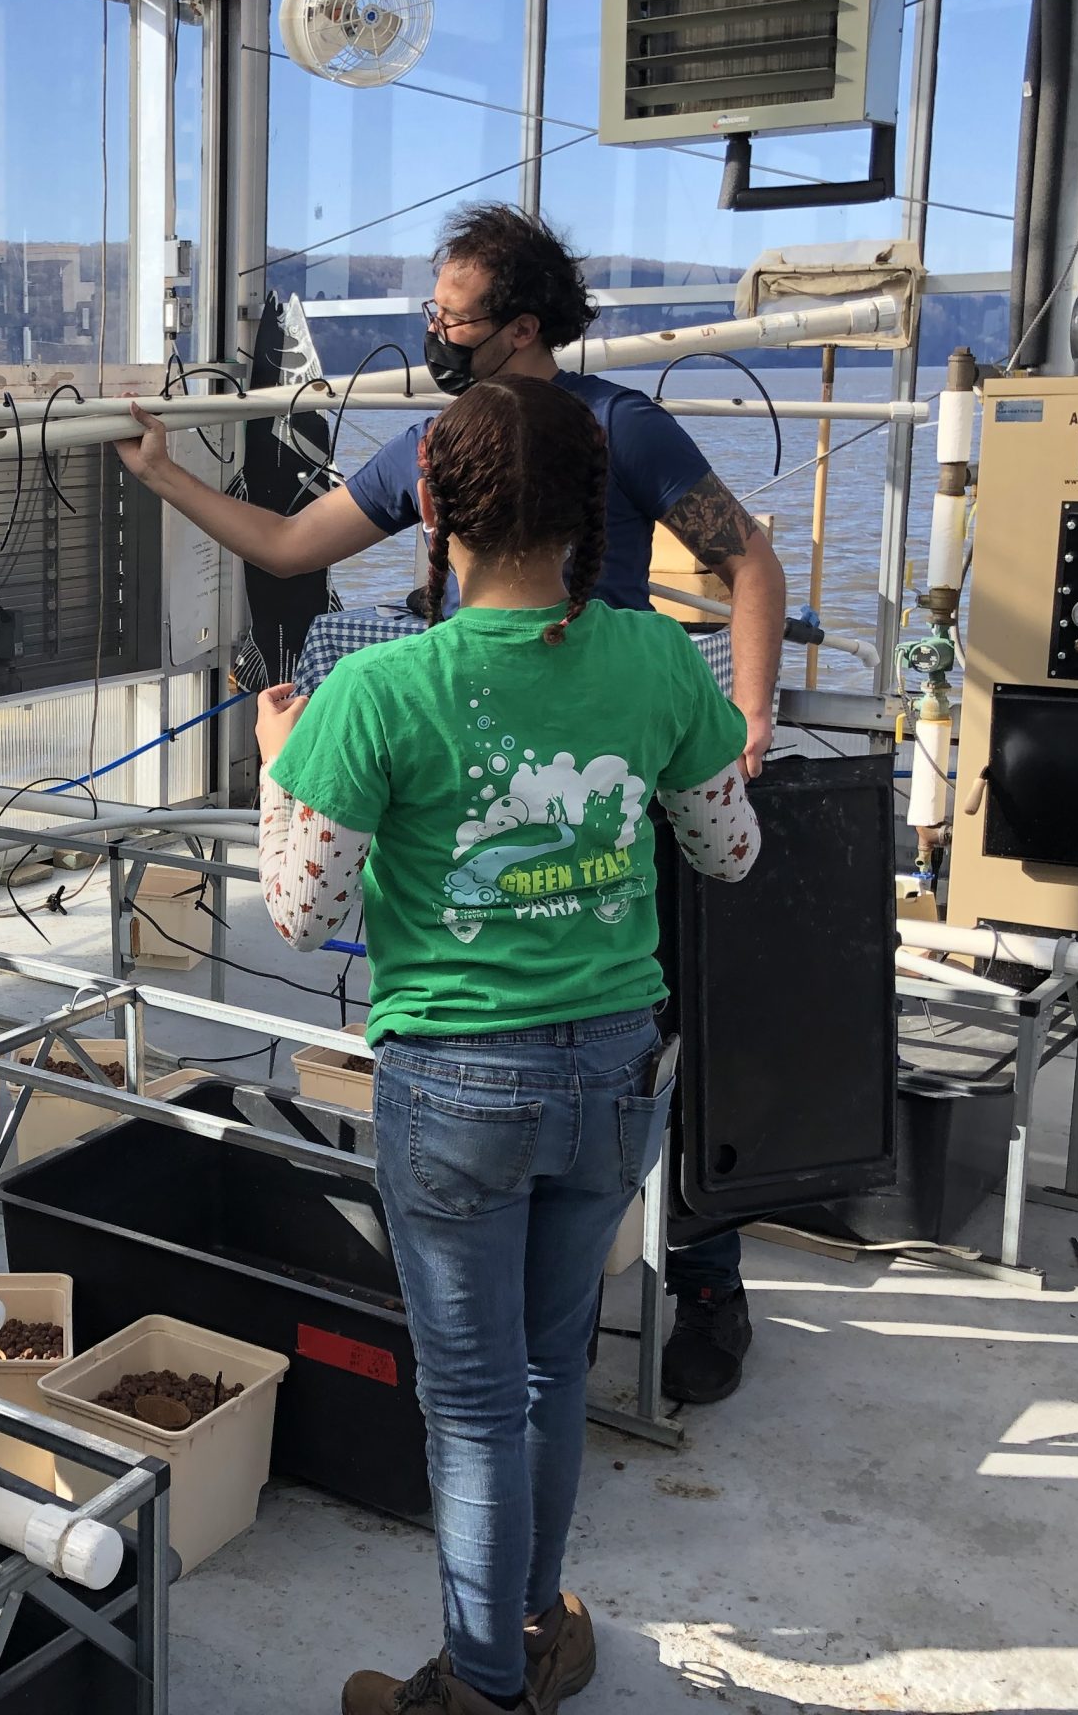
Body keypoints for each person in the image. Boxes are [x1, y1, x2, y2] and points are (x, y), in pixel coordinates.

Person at [118, 202, 778, 1405]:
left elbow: (748, 562)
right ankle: (547, 1323)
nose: (432, 331)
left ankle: (702, 1274)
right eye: (429, 310)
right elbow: (283, 544)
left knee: (665, 1026)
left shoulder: (617, 429)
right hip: (483, 757)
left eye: (450, 316)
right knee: (534, 1023)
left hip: (612, 779)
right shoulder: (440, 448)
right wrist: (163, 473)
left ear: (521, 327)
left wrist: (746, 721)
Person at [253, 376, 762, 1715]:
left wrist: (278, 760)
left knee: (472, 1401)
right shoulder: (660, 662)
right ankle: (538, 1627)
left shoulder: (377, 687)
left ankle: (481, 1689)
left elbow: (304, 913)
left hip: (461, 1082)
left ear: (434, 509)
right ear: (596, 513)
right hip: (615, 1073)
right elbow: (728, 846)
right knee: (551, 1370)